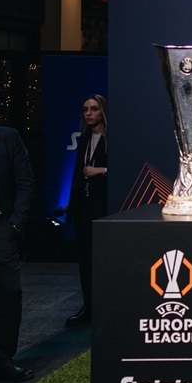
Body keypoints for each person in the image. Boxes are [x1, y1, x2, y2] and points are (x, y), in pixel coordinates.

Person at [0, 125, 35, 381]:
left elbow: (25, 183)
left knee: (9, 291)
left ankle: (2, 359)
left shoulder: (7, 137)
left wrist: (15, 225)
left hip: (0, 224)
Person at [64, 94, 109, 327]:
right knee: (84, 261)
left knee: (103, 260)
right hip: (83, 207)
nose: (89, 113)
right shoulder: (84, 139)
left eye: (93, 109)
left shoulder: (111, 138)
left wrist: (101, 170)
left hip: (105, 207)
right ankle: (87, 308)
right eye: (85, 109)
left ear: (103, 111)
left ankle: (105, 308)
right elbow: (77, 175)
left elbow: (124, 168)